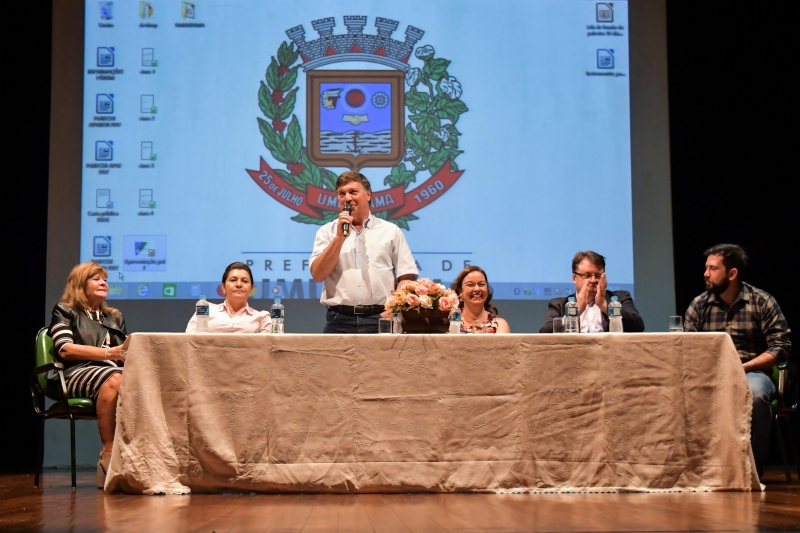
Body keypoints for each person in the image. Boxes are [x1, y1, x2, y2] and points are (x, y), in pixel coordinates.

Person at [684, 244, 791, 476]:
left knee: (755, 393)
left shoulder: (761, 301)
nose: (706, 273)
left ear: (732, 274)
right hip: (709, 373)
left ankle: (754, 464)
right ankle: (698, 464)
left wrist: (742, 367)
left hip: (751, 371)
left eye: (712, 268)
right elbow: (687, 347)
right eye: (706, 268)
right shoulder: (699, 305)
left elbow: (781, 347)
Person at [48, 262, 126, 488]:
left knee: (141, 381)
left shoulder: (115, 317)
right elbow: (65, 349)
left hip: (112, 372)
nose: (104, 282)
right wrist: (109, 353)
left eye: (105, 279)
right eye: (96, 278)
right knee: (115, 378)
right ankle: (109, 453)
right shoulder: (65, 310)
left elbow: (126, 352)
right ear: (80, 284)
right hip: (73, 374)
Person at [310, 171, 418, 333]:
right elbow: (318, 275)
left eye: (353, 192)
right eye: (341, 194)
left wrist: (394, 307)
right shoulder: (327, 232)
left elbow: (407, 276)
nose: (347, 198)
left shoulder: (390, 231)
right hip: (339, 320)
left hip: (381, 317)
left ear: (368, 195)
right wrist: (339, 238)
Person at [540, 251, 645, 333]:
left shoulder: (621, 298)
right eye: (587, 275)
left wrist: (605, 306)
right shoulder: (559, 305)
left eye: (598, 275)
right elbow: (545, 333)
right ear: (574, 278)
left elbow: (638, 327)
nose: (593, 280)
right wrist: (575, 312)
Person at [185, 262, 271, 333]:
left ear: (251, 289)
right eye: (233, 280)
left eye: (244, 281)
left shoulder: (262, 317)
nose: (239, 284)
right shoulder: (205, 310)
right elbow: (189, 341)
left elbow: (267, 348)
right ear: (223, 287)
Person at [452, 266, 511, 333]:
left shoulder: (499, 325)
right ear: (460, 291)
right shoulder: (450, 322)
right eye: (470, 285)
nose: (477, 289)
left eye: (481, 284)